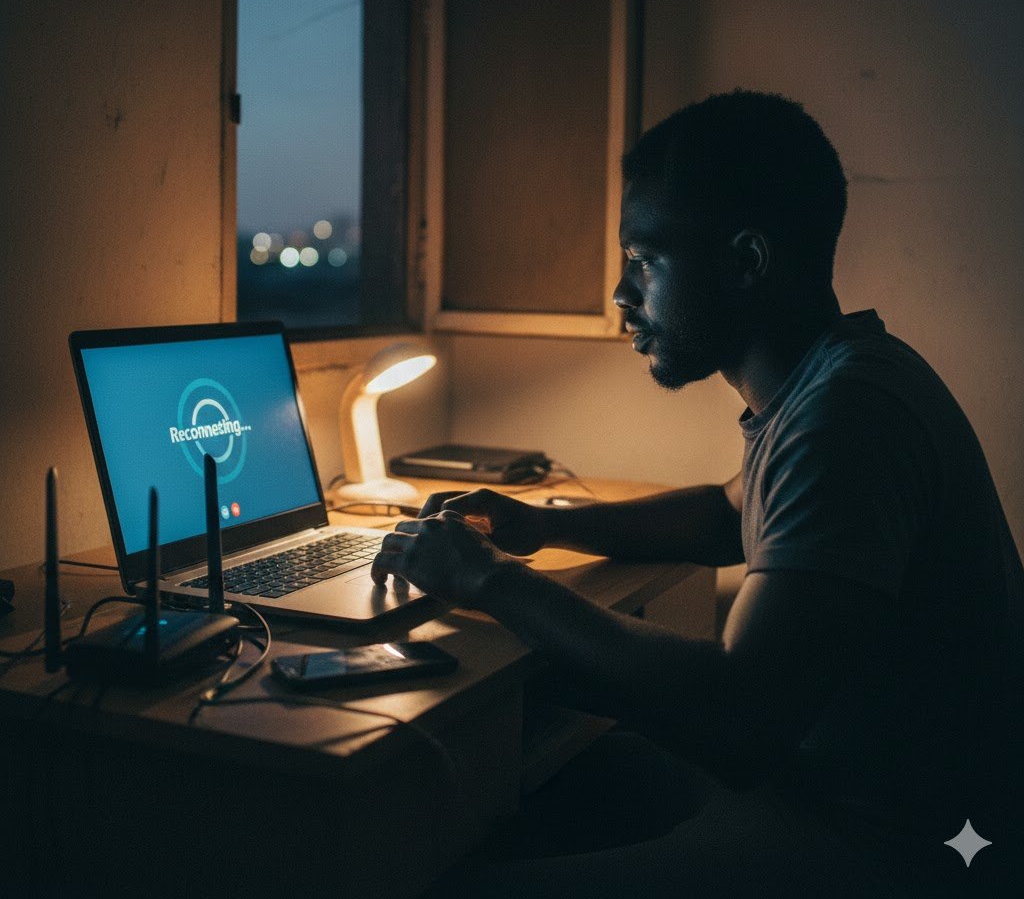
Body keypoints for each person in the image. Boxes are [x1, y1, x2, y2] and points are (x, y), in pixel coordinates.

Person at [371, 90, 1024, 897]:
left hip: (889, 847)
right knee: (542, 783)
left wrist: (488, 580)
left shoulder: (844, 421)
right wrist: (540, 524)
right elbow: (728, 511)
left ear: (747, 261)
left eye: (644, 261)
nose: (621, 293)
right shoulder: (843, 376)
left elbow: (738, 724)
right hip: (858, 795)